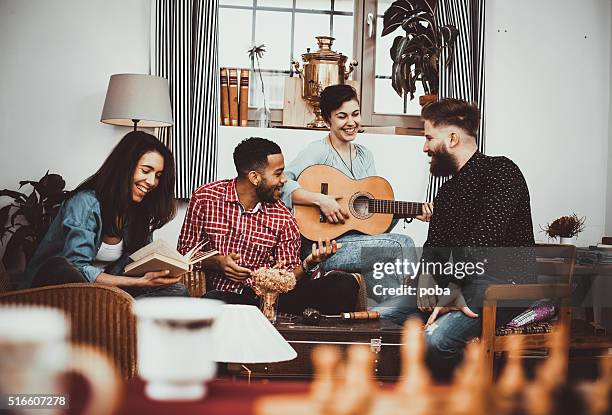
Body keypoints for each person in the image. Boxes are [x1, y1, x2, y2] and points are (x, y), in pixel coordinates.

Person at [393, 98, 535, 377]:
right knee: (387, 317)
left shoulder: (502, 172)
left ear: (453, 138)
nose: (424, 147)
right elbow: (435, 247)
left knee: (436, 341)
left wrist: (454, 290)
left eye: (428, 137)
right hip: (457, 286)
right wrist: (425, 279)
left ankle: (493, 388)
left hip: (502, 288)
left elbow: (484, 243)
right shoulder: (446, 192)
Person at [281, 84, 427, 311]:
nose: (351, 122)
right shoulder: (317, 151)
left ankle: (390, 319)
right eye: (342, 116)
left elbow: (370, 220)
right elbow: (282, 184)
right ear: (328, 119)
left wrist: (409, 212)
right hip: (323, 249)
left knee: (386, 278)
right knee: (402, 244)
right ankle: (420, 303)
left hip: (357, 242)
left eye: (355, 114)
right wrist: (321, 200)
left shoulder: (364, 155)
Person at [177, 137, 359, 315]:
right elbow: (184, 253)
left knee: (344, 285)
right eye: (278, 173)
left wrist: (308, 263)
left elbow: (288, 278)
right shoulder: (206, 198)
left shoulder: (283, 216)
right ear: (255, 177)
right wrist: (217, 262)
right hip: (227, 297)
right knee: (214, 301)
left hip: (273, 298)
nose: (284, 180)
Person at [23, 131, 189, 298]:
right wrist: (138, 282)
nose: (152, 182)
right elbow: (77, 268)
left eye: (158, 176)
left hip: (103, 292)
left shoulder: (137, 212)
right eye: (146, 171)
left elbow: (138, 263)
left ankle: (120, 314)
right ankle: (122, 314)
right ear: (124, 166)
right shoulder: (85, 203)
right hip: (58, 289)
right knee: (66, 270)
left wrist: (162, 272)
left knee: (178, 291)